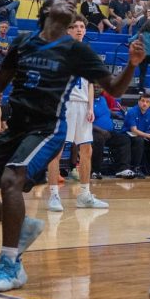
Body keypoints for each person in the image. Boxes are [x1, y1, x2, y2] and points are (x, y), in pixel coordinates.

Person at [0, 0, 144, 294]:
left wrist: (132, 65)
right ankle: (21, 227)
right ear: (47, 9)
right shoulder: (24, 42)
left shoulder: (76, 50)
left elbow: (114, 87)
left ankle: (10, 265)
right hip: (17, 128)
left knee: (11, 178)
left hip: (47, 128)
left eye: (74, 2)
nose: (71, 2)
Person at [47, 15, 109, 211]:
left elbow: (90, 84)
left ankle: (84, 195)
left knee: (87, 150)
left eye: (82, 26)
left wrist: (91, 107)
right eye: (75, 27)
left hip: (83, 106)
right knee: (56, 151)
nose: (80, 29)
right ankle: (54, 195)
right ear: (68, 31)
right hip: (65, 104)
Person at [123, 92, 150, 177]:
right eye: (143, 101)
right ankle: (136, 168)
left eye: (147, 101)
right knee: (139, 140)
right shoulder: (132, 112)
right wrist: (149, 136)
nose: (145, 103)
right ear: (138, 102)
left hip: (143, 134)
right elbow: (134, 130)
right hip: (128, 135)